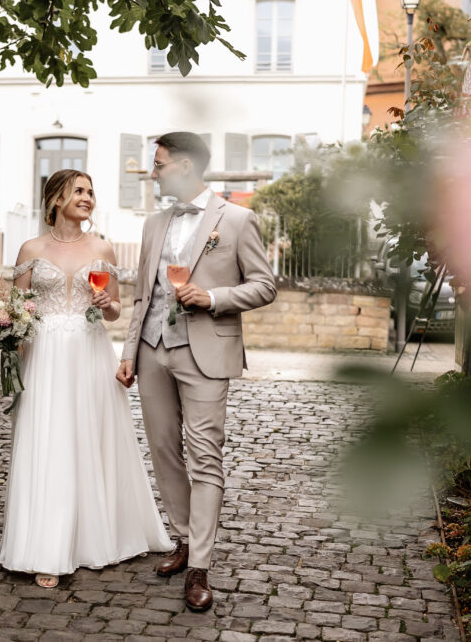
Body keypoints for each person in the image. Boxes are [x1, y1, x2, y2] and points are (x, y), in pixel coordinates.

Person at [116, 132, 277, 611]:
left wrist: (214, 298)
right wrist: (128, 351)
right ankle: (183, 540)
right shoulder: (153, 225)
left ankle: (201, 566)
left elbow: (265, 285)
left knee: (205, 456)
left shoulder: (238, 220)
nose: (153, 171)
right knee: (164, 451)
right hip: (151, 351)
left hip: (205, 352)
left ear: (184, 166)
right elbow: (144, 297)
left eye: (159, 164)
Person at [0, 169, 173, 588]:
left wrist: (108, 303)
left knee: (90, 437)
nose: (88, 197)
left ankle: (97, 535)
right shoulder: (31, 248)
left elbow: (113, 312)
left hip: (90, 352)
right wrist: (12, 363)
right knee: (48, 440)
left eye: (91, 191)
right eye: (79, 191)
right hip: (45, 355)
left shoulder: (102, 246)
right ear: (56, 199)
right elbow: (19, 311)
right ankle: (45, 547)